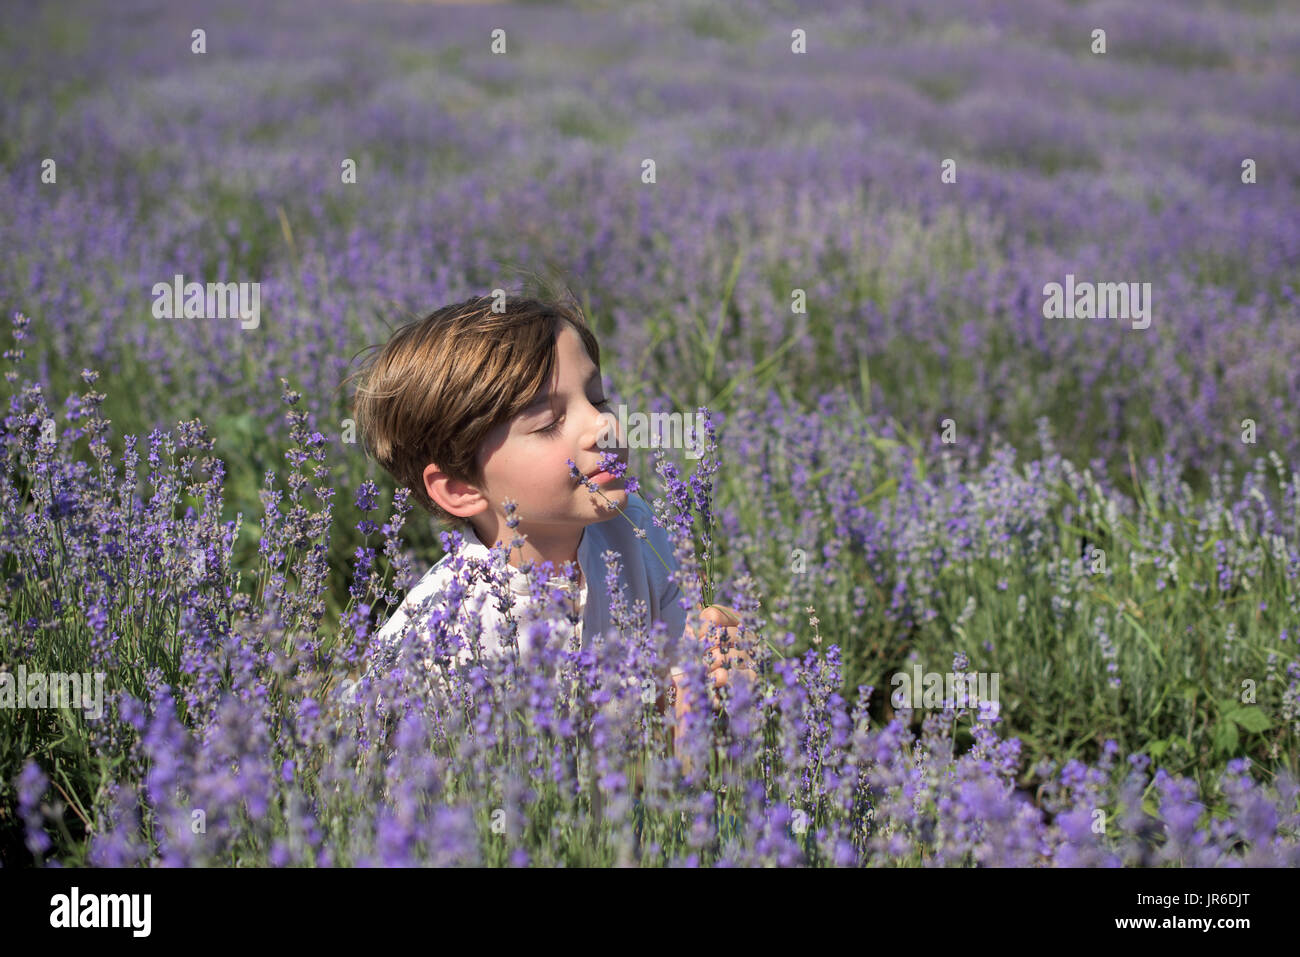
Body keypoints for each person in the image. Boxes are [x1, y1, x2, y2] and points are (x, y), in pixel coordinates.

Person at [347, 293, 755, 762]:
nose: (602, 424)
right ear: (460, 487)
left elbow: (675, 739)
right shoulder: (438, 638)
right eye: (547, 421)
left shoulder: (635, 528)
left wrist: (706, 688)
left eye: (597, 397)